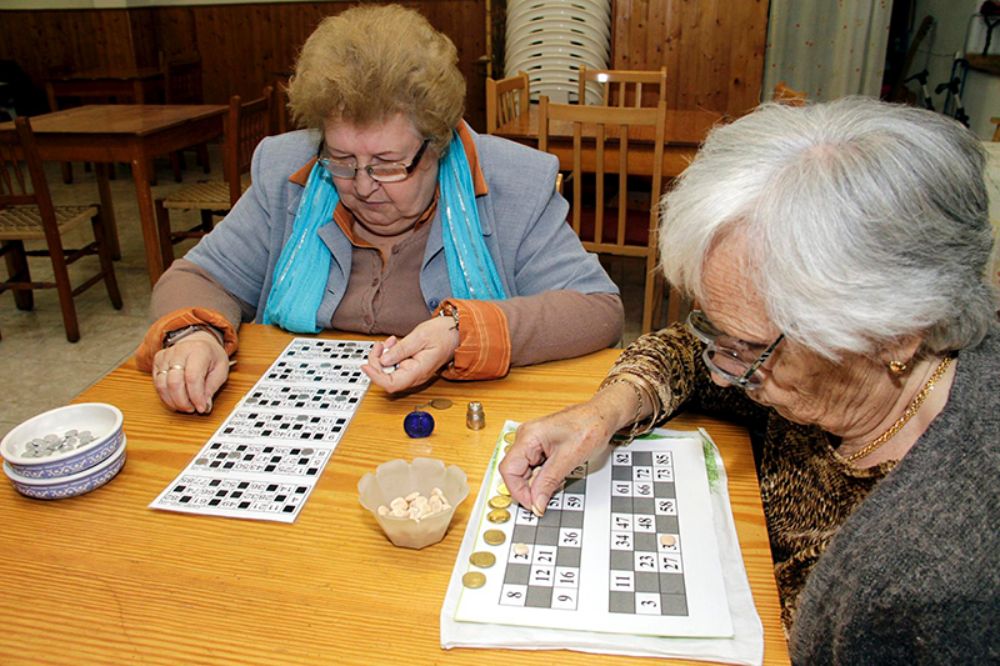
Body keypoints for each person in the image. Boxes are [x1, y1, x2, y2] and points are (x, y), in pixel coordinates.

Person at [500, 97, 998, 662]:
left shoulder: (941, 576)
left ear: (895, 333)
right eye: (718, 329)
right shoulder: (849, 379)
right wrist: (603, 413)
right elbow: (689, 352)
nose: (723, 367)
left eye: (754, 349)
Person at [134, 4, 623, 413]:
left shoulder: (514, 181)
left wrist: (462, 331)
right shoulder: (287, 170)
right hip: (305, 419)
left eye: (389, 164)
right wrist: (194, 335)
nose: (361, 186)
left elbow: (597, 310)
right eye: (342, 160)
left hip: (459, 425)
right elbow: (199, 277)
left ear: (440, 144)